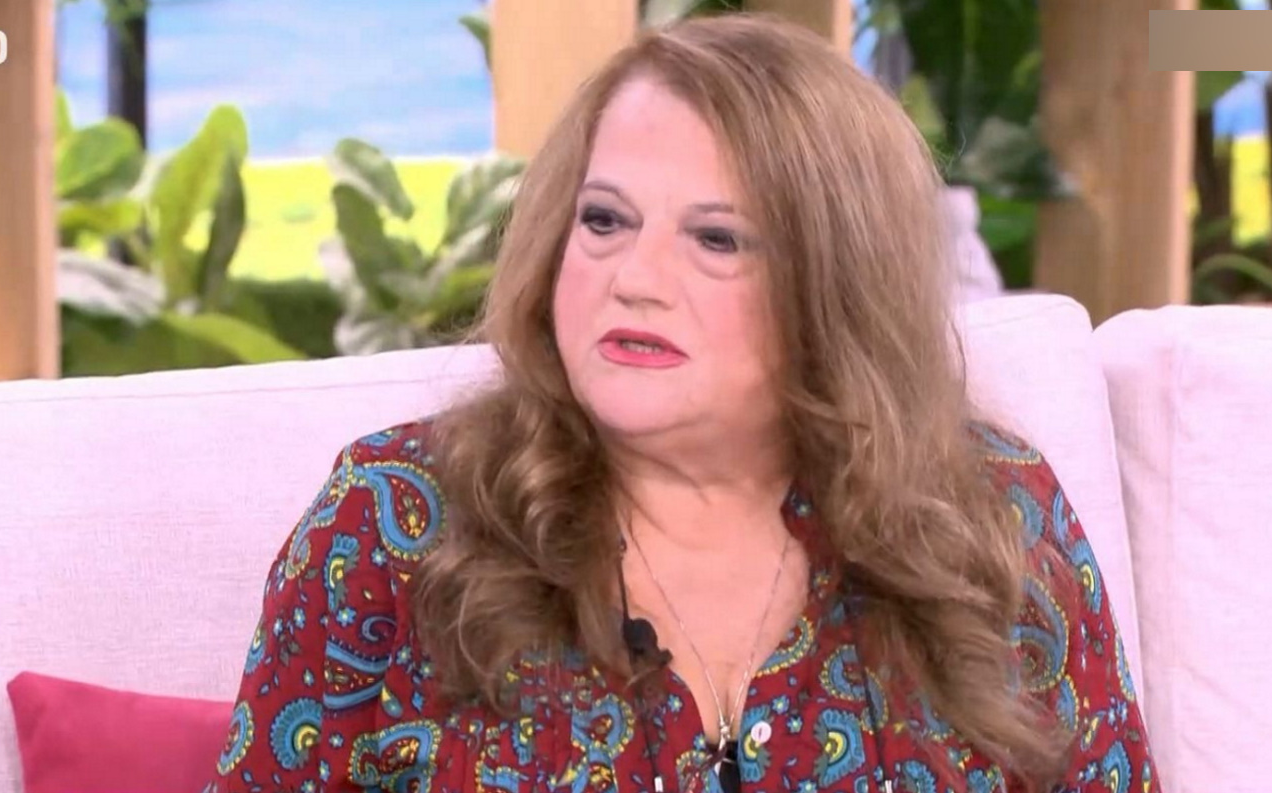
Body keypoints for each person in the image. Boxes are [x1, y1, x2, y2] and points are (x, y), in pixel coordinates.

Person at [206, 13, 1157, 793]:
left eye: (716, 239)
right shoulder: (397, 519)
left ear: (836, 284)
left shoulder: (995, 519)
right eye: (604, 220)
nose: (635, 278)